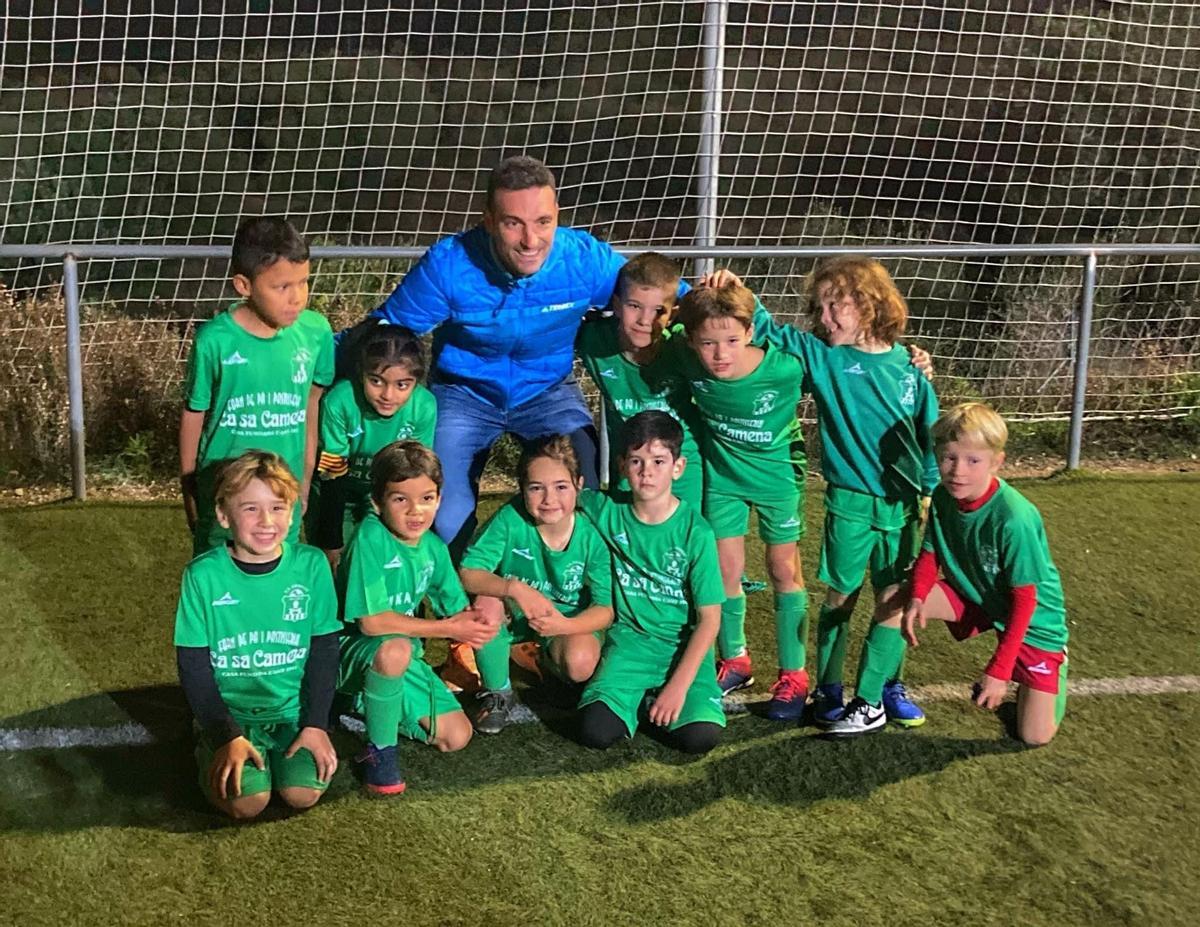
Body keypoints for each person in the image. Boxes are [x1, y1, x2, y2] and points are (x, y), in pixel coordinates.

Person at [367, 155, 636, 559]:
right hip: (463, 396)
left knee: (587, 490)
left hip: (548, 391)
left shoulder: (584, 259)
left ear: (557, 216)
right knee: (445, 515)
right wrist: (313, 362)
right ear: (489, 220)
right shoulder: (451, 264)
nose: (531, 240)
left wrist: (750, 319)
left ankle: (569, 600)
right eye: (514, 223)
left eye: (543, 222)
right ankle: (457, 607)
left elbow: (663, 294)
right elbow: (383, 331)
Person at [752, 256, 940, 728]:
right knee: (841, 597)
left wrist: (932, 493)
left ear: (872, 306)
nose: (825, 318)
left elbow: (929, 437)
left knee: (894, 597)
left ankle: (883, 687)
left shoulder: (911, 370)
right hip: (849, 503)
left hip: (900, 505)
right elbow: (766, 327)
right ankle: (830, 688)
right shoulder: (825, 357)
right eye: (820, 308)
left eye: (836, 306)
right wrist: (730, 286)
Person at [885, 402, 1068, 745]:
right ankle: (876, 694)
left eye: (973, 460)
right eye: (949, 458)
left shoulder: (1015, 518)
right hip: (975, 594)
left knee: (1034, 736)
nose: (958, 471)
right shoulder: (941, 496)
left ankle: (1054, 666)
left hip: (1032, 620)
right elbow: (931, 552)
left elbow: (1025, 600)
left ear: (997, 462)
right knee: (892, 599)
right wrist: (919, 596)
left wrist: (999, 671)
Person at [173, 451, 340, 820]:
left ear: (293, 511)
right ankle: (206, 742)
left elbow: (324, 649)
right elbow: (193, 664)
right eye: (250, 508)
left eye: (278, 508)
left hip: (291, 713)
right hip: (231, 715)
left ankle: (289, 742)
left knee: (301, 794)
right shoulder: (203, 575)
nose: (266, 521)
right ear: (222, 515)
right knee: (248, 804)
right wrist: (225, 734)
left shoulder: (311, 565)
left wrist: (315, 724)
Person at [674, 283, 812, 720]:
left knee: (782, 570)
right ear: (691, 340)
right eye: (708, 343)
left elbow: (840, 363)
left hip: (777, 480)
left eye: (732, 340)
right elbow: (647, 335)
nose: (720, 354)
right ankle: (736, 659)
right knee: (725, 572)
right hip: (724, 481)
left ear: (750, 332)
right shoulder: (686, 358)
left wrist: (910, 359)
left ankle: (795, 674)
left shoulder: (786, 368)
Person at [335, 440, 499, 795]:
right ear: (378, 504)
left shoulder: (433, 549)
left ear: (439, 499)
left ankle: (366, 699)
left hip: (401, 658)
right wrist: (447, 629)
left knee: (456, 736)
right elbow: (370, 623)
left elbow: (458, 612)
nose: (416, 511)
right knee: (393, 647)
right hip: (348, 651)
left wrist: (484, 621)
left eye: (427, 498)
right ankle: (379, 753)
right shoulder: (370, 536)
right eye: (400, 499)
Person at [179, 217, 334, 556]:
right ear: (243, 285)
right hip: (223, 490)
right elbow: (194, 412)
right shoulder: (214, 341)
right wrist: (190, 487)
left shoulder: (316, 333)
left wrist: (306, 475)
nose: (297, 297)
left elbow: (312, 404)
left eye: (303, 282)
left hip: (284, 490)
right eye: (282, 287)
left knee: (277, 586)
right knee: (219, 587)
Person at [576, 411, 726, 755]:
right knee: (595, 732)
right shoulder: (607, 510)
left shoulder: (695, 532)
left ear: (678, 466)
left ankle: (660, 699)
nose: (647, 471)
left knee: (699, 738)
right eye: (636, 461)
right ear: (622, 466)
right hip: (629, 646)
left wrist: (677, 686)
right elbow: (559, 497)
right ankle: (637, 700)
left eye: (659, 461)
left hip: (681, 649)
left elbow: (710, 620)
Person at [459, 435, 614, 734]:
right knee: (485, 603)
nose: (549, 499)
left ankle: (546, 661)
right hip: (516, 612)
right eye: (536, 488)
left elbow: (605, 609)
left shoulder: (591, 534)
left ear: (579, 484)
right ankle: (498, 692)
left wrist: (563, 627)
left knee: (581, 663)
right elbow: (469, 572)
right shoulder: (510, 518)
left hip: (563, 621)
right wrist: (514, 588)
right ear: (522, 490)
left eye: (560, 487)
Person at [576, 252, 705, 510]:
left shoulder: (685, 345)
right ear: (615, 304)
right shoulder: (592, 340)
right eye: (634, 306)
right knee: (628, 544)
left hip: (682, 464)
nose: (645, 321)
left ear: (673, 313)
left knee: (683, 543)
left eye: (659, 311)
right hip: (629, 466)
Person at [306, 320, 436, 571]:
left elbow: (415, 474)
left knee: (391, 564)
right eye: (376, 381)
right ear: (361, 373)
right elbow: (332, 472)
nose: (388, 395)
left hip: (388, 497)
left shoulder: (424, 406)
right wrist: (331, 540)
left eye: (401, 385)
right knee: (337, 567)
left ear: (416, 381)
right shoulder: (340, 400)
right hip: (338, 496)